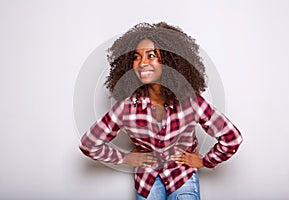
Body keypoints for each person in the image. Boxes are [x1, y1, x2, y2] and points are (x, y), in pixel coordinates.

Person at [79, 22, 243, 200]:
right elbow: (89, 144)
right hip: (147, 180)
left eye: (151, 56)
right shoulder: (127, 108)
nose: (142, 63)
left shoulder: (191, 102)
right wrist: (125, 158)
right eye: (136, 57)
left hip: (182, 176)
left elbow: (232, 137)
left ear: (169, 60)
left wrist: (205, 161)